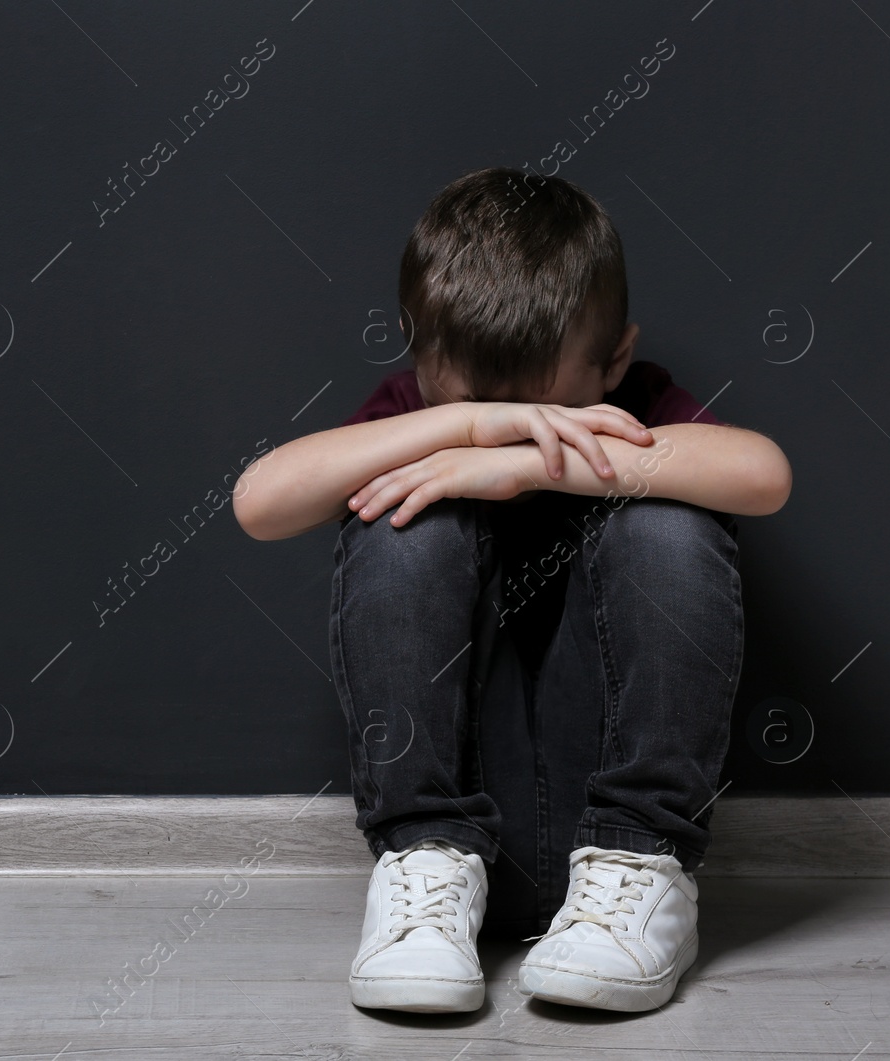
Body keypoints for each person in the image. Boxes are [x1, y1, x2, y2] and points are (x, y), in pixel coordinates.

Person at [231, 166, 791, 1014]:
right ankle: (421, 868)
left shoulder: (638, 405)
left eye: (542, 409)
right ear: (423, 365)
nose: (506, 422)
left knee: (668, 513)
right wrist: (458, 432)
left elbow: (764, 474)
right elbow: (259, 503)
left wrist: (526, 463)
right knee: (401, 507)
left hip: (607, 854)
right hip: (457, 847)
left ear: (616, 363)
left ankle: (640, 868)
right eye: (475, 405)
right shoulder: (416, 408)